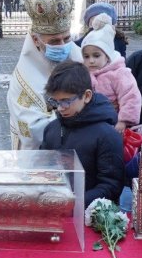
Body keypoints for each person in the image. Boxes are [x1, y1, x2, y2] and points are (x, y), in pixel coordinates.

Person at [8, 0, 83, 149]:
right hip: (42, 159)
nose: (63, 45)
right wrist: (77, 115)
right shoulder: (22, 81)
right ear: (36, 40)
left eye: (67, 38)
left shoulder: (81, 58)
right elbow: (31, 130)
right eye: (54, 41)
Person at [40, 61, 125, 206]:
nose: (60, 108)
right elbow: (41, 166)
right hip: (54, 205)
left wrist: (73, 202)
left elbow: (111, 186)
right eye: (55, 102)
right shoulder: (51, 129)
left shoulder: (107, 135)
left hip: (88, 214)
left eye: (66, 101)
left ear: (86, 96)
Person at [81, 26, 141, 132]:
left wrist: (123, 121)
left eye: (96, 56)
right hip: (89, 125)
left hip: (114, 125)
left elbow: (130, 97)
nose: (91, 61)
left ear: (107, 56)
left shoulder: (119, 74)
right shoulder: (83, 74)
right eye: (86, 56)